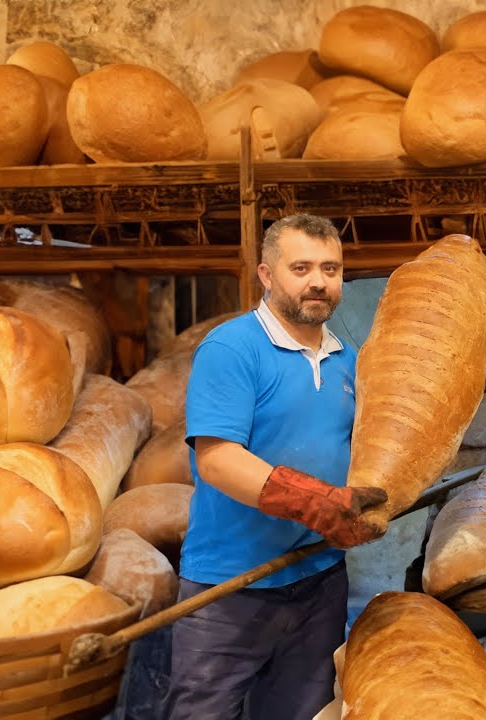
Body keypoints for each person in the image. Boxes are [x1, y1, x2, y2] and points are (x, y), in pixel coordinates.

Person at [166, 214, 387, 719]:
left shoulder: (348, 359)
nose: (317, 282)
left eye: (330, 269)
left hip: (319, 580)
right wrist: (314, 502)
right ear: (266, 275)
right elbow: (218, 460)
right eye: (301, 267)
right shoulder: (232, 349)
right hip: (229, 586)